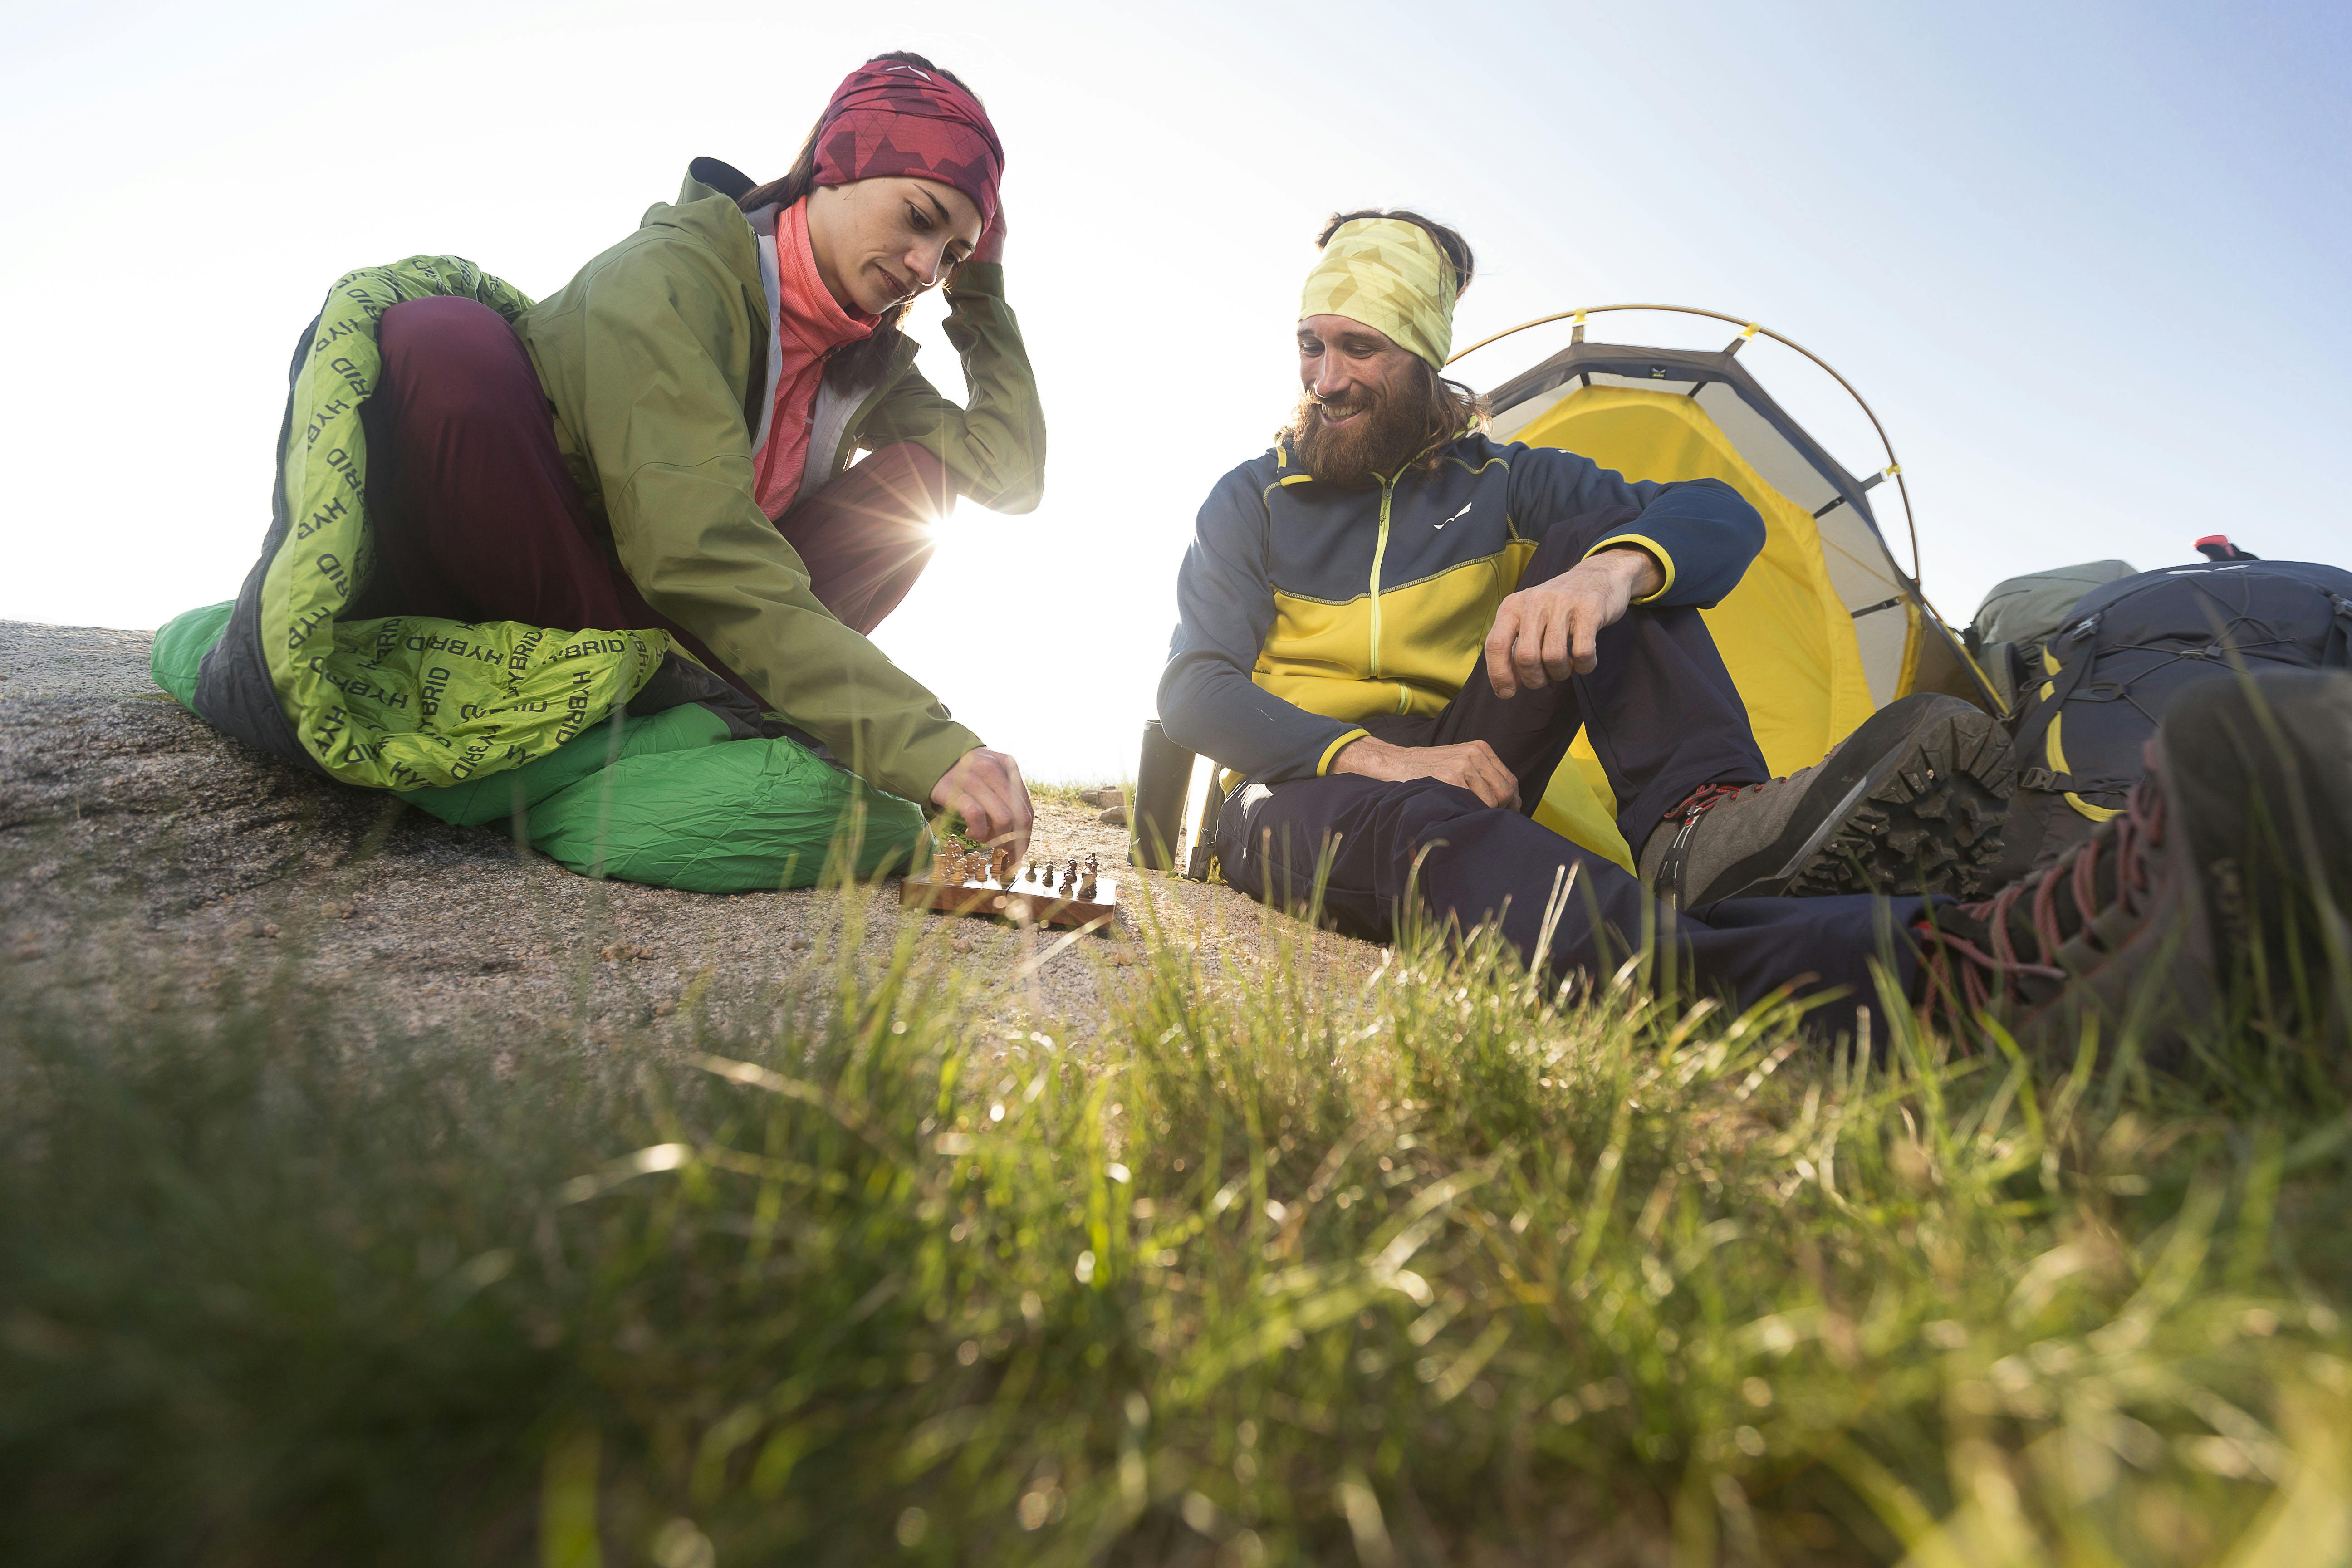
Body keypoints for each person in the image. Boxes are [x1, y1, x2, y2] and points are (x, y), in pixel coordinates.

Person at [1157, 209, 2019, 1036]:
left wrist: (1611, 572)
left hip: (1474, 751)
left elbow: (1721, 516)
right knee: (1429, 830)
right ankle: (1886, 965)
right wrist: (1382, 759)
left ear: (1424, 357)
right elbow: (1194, 687)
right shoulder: (1250, 501)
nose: (1328, 378)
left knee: (1602, 547)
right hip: (1302, 787)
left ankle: (1699, 830)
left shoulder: (1505, 481)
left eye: (1361, 348)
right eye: (1311, 345)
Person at [347, 49, 1041, 858]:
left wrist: (983, 294)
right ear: (834, 169)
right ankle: (636, 712)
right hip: (559, 595)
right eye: (919, 219)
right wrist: (927, 746)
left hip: (691, 644)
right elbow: (696, 554)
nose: (926, 268)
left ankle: (705, 710)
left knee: (929, 478)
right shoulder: (671, 277)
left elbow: (1011, 474)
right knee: (441, 344)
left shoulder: (867, 356)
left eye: (952, 254)